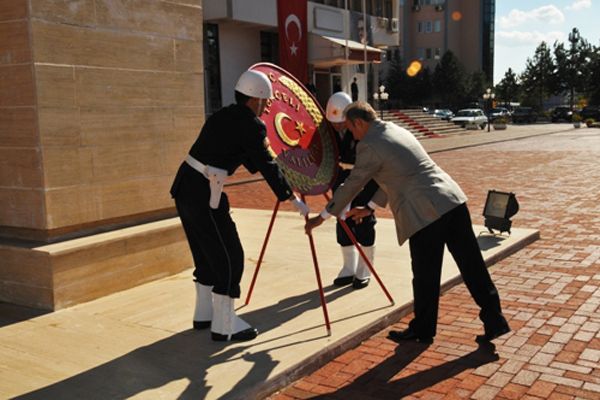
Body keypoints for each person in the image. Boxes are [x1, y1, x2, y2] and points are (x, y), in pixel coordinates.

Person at [305, 101, 510, 344]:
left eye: (350, 127)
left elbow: (353, 183)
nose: (351, 133)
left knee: (425, 276)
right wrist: (369, 208)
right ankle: (495, 320)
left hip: (425, 214)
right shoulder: (396, 129)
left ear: (359, 122)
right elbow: (393, 174)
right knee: (472, 266)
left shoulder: (369, 144)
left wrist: (323, 216)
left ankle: (422, 330)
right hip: (452, 200)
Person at [170, 69, 309, 342]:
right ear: (255, 100)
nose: (267, 106)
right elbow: (265, 164)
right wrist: (290, 197)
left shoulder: (225, 115)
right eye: (265, 101)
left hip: (187, 186)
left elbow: (251, 159)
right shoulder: (251, 124)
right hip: (205, 190)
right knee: (229, 255)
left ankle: (205, 314)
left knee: (204, 252)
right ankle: (224, 325)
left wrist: (270, 156)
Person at [325, 92, 379, 289]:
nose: (338, 126)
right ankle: (348, 268)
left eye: (341, 123)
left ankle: (364, 270)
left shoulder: (362, 132)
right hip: (341, 183)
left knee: (363, 224)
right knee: (343, 225)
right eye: (334, 123)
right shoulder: (329, 131)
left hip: (363, 183)